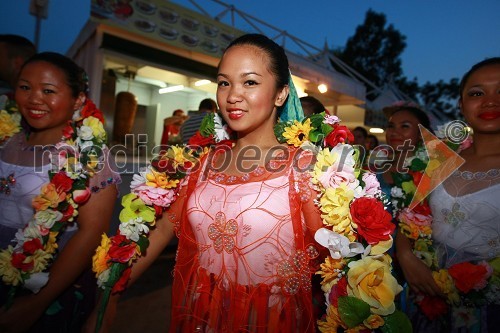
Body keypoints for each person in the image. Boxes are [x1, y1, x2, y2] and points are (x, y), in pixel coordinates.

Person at [89, 33, 324, 332]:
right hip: (204, 315)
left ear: (280, 94)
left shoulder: (305, 168)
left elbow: (334, 260)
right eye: (224, 82)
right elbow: (161, 230)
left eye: (249, 82)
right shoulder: (201, 163)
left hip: (271, 320)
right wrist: (111, 295)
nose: (232, 95)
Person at [0, 52, 120, 332]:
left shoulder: (89, 156)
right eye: (25, 87)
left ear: (77, 100)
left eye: (49, 91)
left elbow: (90, 233)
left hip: (47, 283)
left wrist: (36, 303)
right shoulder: (6, 139)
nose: (34, 99)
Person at [396, 57, 500, 332]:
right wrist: (406, 256)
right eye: (477, 93)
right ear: (461, 105)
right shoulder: (439, 158)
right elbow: (411, 215)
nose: (490, 101)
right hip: (427, 302)